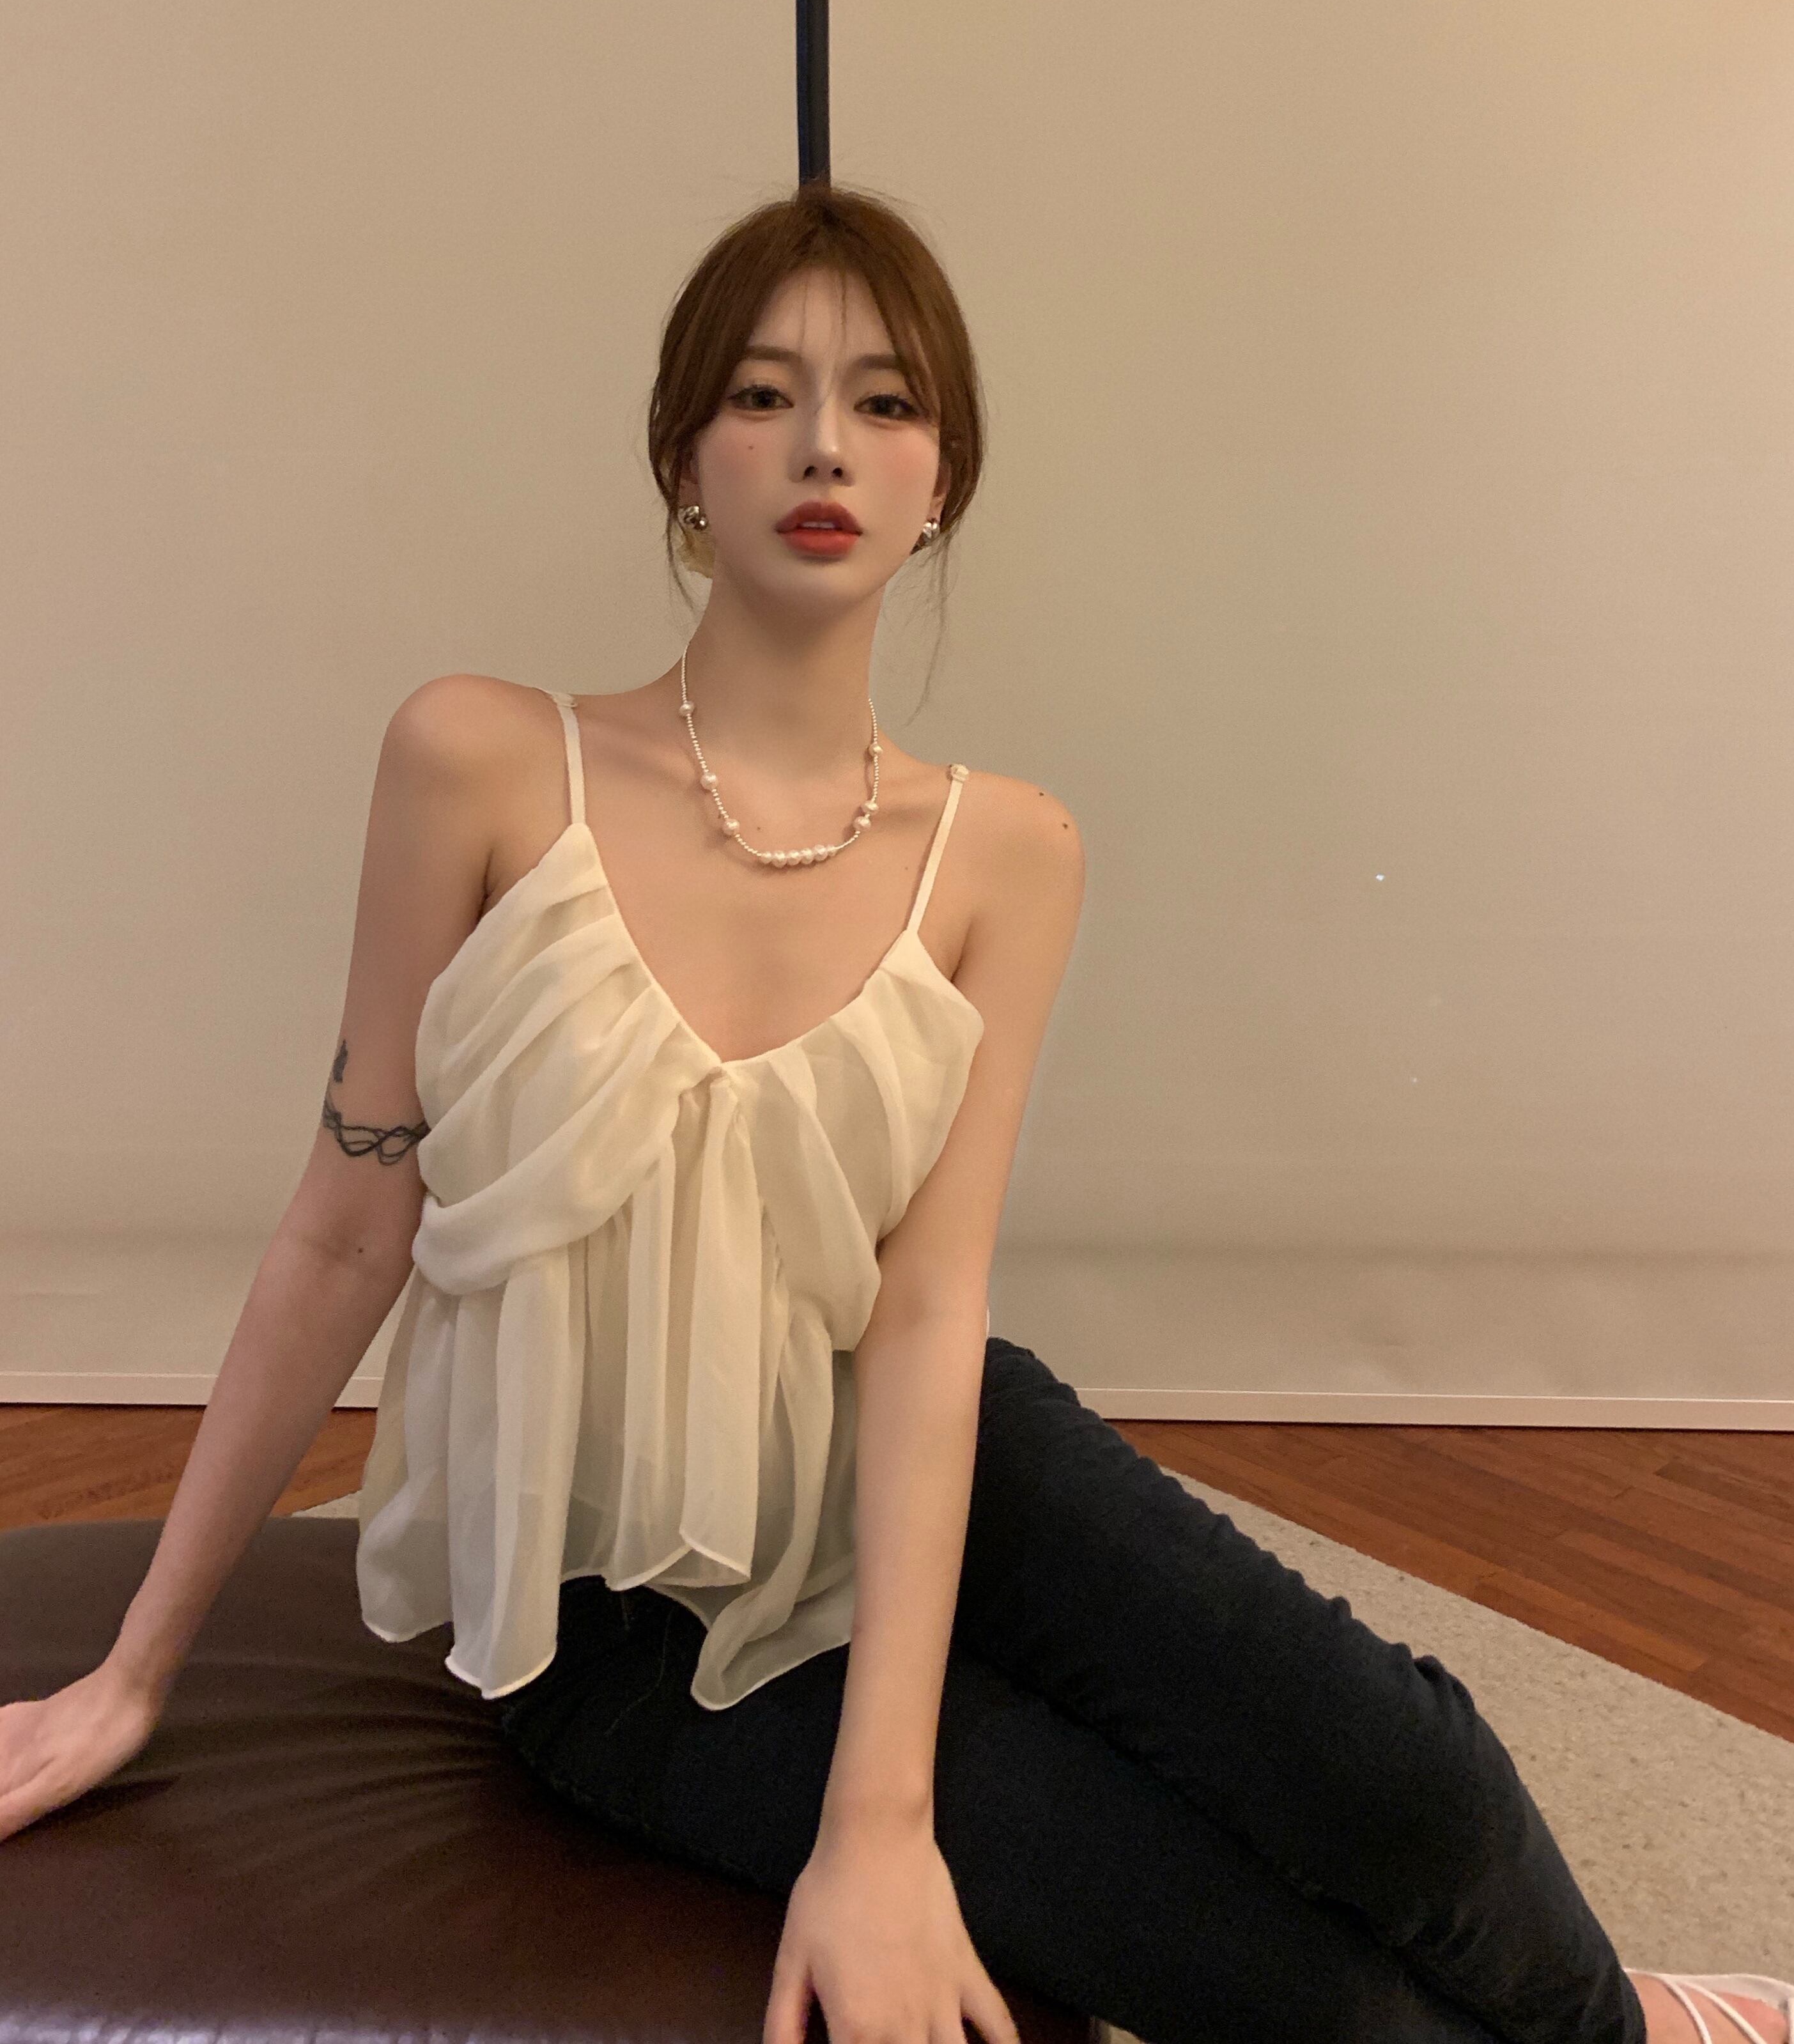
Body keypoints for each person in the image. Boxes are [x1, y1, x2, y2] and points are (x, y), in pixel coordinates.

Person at [0, 183, 1784, 2044]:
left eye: (887, 401)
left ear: (945, 480)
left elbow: (927, 1312)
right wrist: (133, 1674)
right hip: (622, 1626)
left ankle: (1618, 2024)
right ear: (683, 458)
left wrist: (884, 1816)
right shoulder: (479, 759)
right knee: (1293, 1989)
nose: (826, 445)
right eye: (764, 394)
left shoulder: (1008, 851)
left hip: (939, 1459)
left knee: (1414, 1792)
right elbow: (343, 1228)